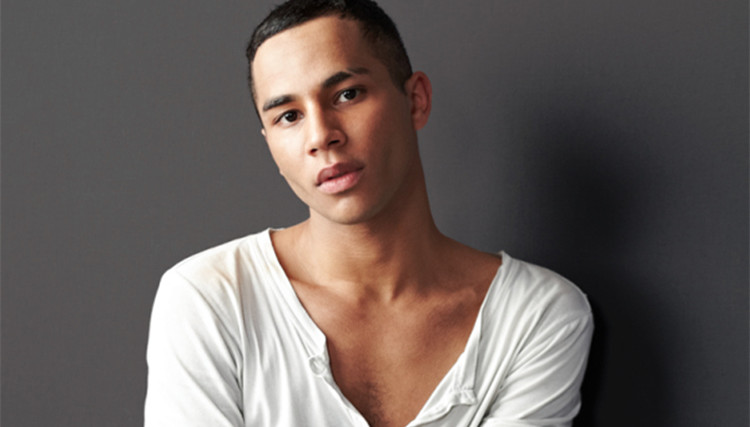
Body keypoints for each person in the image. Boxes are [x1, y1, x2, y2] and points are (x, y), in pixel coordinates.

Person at [144, 1, 593, 426]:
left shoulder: (536, 315)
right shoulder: (210, 299)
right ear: (270, 144)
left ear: (416, 100)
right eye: (289, 116)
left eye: (347, 94)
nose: (321, 136)